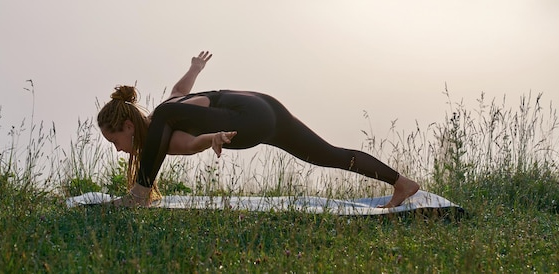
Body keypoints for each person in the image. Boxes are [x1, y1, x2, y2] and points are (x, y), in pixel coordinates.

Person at [97, 51, 420, 208]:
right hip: (266, 108)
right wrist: (196, 68)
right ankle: (401, 183)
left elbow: (187, 133)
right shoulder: (168, 118)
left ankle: (140, 194)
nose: (118, 149)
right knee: (328, 154)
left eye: (115, 140)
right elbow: (187, 114)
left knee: (167, 111)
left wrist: (214, 136)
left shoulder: (165, 120)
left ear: (128, 125)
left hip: (248, 120)